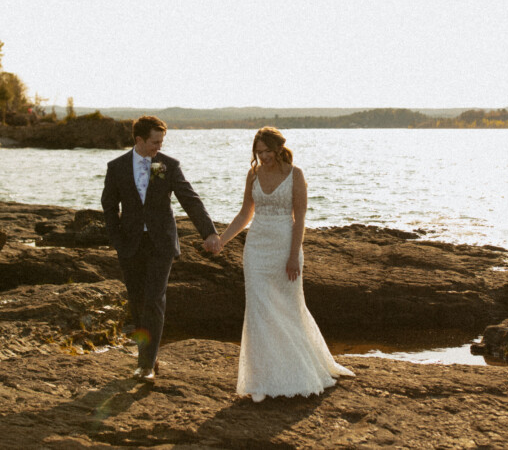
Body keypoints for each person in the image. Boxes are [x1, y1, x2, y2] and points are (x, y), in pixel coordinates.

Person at [210, 127, 353, 401]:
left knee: (288, 310)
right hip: (256, 250)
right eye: (258, 152)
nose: (263, 157)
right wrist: (222, 240)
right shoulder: (253, 174)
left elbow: (299, 218)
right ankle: (262, 381)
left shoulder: (295, 174)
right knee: (258, 312)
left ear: (278, 149)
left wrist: (292, 255)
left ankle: (297, 371)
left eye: (267, 151)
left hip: (284, 247)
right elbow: (244, 214)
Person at [102, 115, 221, 381]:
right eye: (155, 142)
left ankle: (145, 365)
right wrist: (117, 240)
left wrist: (209, 232)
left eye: (161, 142)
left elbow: (190, 199)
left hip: (161, 244)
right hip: (130, 245)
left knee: (154, 299)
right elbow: (109, 207)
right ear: (139, 140)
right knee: (137, 301)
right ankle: (149, 355)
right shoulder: (117, 167)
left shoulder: (167, 165)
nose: (159, 147)